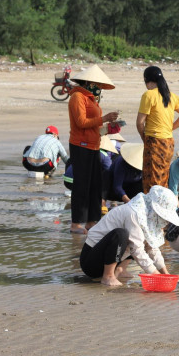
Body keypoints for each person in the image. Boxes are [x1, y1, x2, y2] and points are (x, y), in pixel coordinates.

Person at [80, 185, 179, 286]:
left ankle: (120, 269)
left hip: (108, 258)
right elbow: (136, 249)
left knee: (139, 237)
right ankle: (108, 276)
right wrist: (156, 275)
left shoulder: (148, 217)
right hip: (91, 262)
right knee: (122, 235)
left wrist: (165, 273)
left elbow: (151, 248)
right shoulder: (133, 213)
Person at [68, 65, 119, 235]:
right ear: (89, 82)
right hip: (80, 145)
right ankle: (76, 223)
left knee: (95, 185)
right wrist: (103, 118)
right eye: (97, 85)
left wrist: (109, 128)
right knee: (81, 185)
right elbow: (81, 123)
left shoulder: (91, 99)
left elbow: (94, 128)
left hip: (94, 144)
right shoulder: (77, 97)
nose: (99, 88)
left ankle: (91, 221)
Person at [136, 66, 179, 193]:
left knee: (152, 180)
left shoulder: (149, 95)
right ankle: (161, 205)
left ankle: (154, 208)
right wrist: (169, 129)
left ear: (147, 80)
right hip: (168, 143)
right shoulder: (171, 96)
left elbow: (139, 123)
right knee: (163, 177)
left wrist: (144, 138)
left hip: (154, 140)